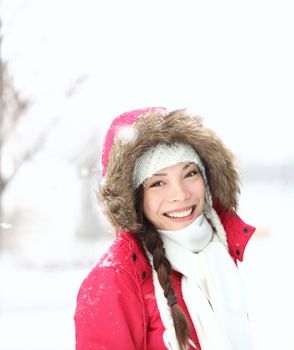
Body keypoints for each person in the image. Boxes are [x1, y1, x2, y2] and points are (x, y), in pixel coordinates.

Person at [74, 107, 255, 350]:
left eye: (190, 173)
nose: (181, 194)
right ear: (134, 197)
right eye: (158, 182)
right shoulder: (116, 279)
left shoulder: (216, 254)